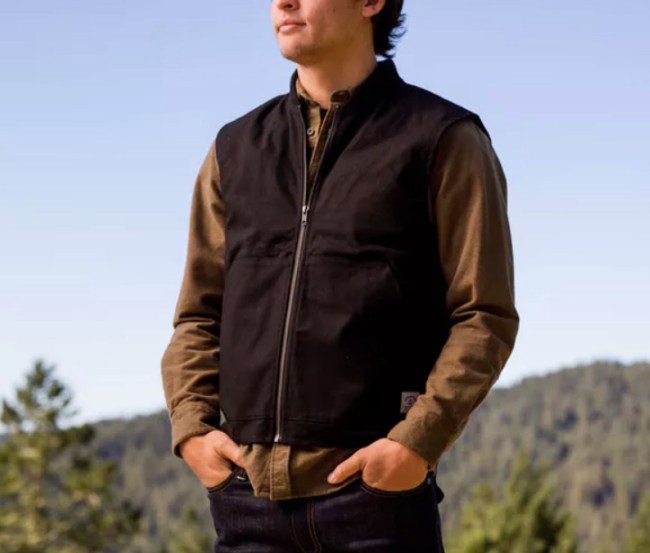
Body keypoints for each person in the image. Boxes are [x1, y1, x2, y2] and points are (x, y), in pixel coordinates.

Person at [160, 0, 520, 551]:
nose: (283, 2)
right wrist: (192, 429)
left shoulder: (443, 138)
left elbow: (483, 315)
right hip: (246, 503)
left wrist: (414, 443)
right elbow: (198, 314)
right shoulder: (234, 148)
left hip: (374, 504)